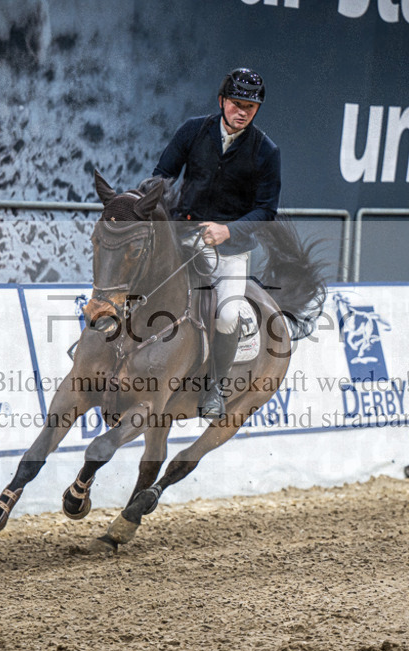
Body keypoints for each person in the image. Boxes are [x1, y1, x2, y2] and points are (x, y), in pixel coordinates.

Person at [152, 67, 281, 420]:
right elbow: (162, 176)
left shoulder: (266, 152)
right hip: (183, 235)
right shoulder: (193, 131)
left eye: (250, 108)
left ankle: (215, 388)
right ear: (222, 100)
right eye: (236, 104)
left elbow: (266, 210)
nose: (242, 112)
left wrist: (230, 230)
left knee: (226, 314)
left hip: (230, 249)